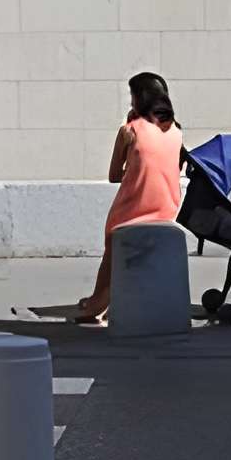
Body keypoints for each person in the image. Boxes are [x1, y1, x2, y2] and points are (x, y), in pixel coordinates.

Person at [70, 72, 182, 326]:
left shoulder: (129, 131)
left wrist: (134, 168)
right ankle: (102, 300)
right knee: (115, 254)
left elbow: (113, 176)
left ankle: (96, 306)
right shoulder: (176, 131)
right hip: (167, 209)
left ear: (138, 99)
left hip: (131, 210)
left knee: (111, 251)